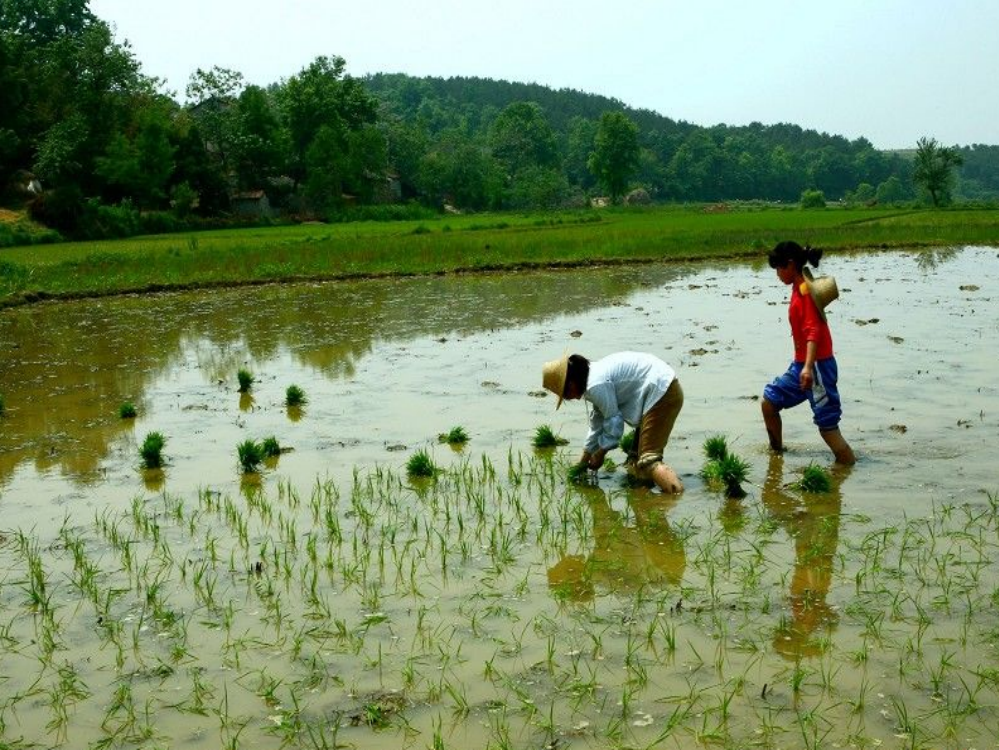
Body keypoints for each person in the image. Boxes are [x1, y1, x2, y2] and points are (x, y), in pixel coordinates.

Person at [762, 241, 856, 465]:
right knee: (769, 403)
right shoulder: (799, 288)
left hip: (816, 367)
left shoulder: (805, 292)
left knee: (828, 428)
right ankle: (776, 455)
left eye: (779, 268)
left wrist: (807, 367)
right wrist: (802, 366)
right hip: (802, 365)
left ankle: (848, 470)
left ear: (791, 265)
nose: (777, 274)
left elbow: (813, 331)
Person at [541, 351, 684, 493]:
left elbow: (614, 422)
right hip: (658, 389)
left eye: (565, 395)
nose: (570, 399)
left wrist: (601, 453)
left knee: (648, 460)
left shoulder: (595, 384)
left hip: (662, 392)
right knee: (634, 460)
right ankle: (644, 502)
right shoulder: (592, 378)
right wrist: (584, 459)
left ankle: (676, 495)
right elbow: (597, 423)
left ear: (571, 384)